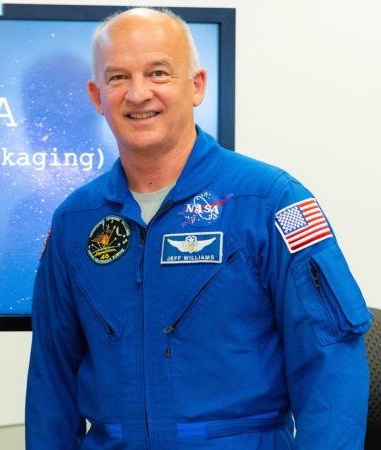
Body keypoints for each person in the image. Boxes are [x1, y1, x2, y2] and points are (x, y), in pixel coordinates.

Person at [25, 8, 371, 449]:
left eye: (158, 73)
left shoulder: (271, 202)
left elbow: (331, 369)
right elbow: (51, 385)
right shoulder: (75, 222)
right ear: (97, 96)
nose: (138, 93)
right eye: (118, 77)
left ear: (197, 86)